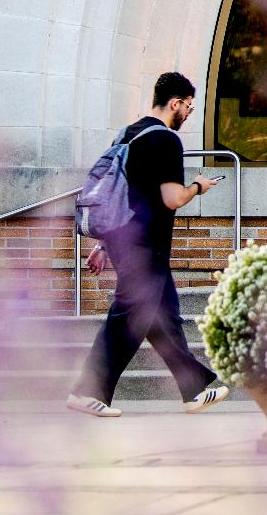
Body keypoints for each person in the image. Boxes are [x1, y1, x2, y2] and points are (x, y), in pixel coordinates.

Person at [66, 71, 230, 418]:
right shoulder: (166, 141)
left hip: (127, 242)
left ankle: (194, 389)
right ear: (176, 103)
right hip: (147, 247)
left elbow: (120, 196)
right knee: (127, 317)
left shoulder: (129, 134)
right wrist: (199, 185)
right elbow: (171, 198)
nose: (188, 113)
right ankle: (87, 391)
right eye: (188, 106)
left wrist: (105, 245)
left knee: (164, 317)